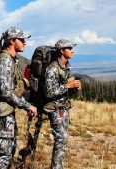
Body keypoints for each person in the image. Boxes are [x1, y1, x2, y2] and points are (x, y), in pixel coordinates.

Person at [0, 27, 37, 169]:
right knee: (3, 155)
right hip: (2, 112)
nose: (25, 43)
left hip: (6, 111)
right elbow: (6, 92)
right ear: (12, 40)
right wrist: (27, 106)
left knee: (9, 151)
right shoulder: (5, 60)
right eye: (21, 39)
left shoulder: (11, 59)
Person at [44, 39, 81, 169]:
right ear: (61, 50)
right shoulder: (53, 68)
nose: (72, 51)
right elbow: (49, 92)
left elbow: (65, 90)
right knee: (60, 140)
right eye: (69, 48)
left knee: (63, 140)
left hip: (64, 107)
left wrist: (74, 88)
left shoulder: (66, 67)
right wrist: (67, 86)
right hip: (56, 108)